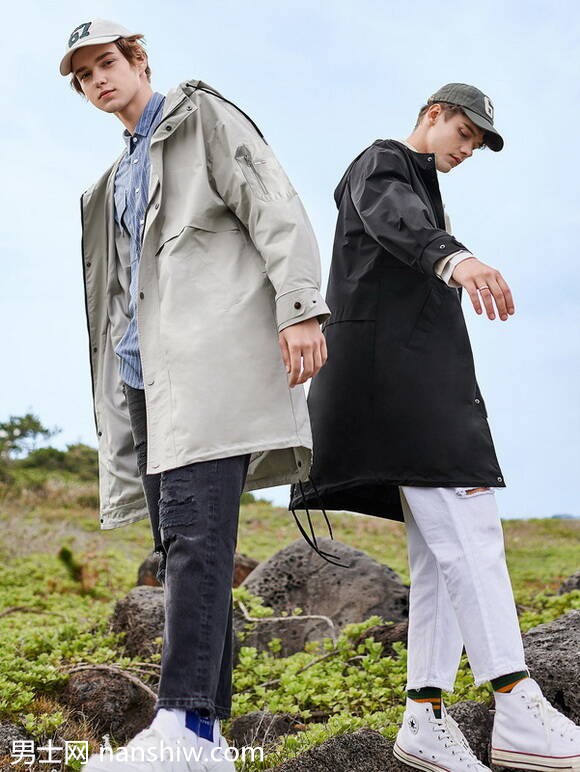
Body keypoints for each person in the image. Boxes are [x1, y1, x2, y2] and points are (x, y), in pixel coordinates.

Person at [60, 18, 330, 771]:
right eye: (84, 75)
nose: (99, 80)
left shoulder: (199, 118)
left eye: (107, 63)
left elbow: (274, 203)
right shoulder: (111, 181)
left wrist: (300, 307)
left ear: (138, 59)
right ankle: (202, 737)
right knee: (184, 547)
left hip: (205, 374)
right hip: (145, 384)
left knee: (197, 542)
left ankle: (183, 725)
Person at [289, 83, 580, 771]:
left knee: (441, 554)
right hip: (406, 398)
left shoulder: (421, 187)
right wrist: (456, 257)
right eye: (464, 133)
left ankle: (424, 716)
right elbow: (395, 214)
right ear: (433, 114)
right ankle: (517, 704)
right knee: (472, 534)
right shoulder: (383, 162)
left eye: (478, 143)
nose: (468, 148)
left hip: (410, 393)